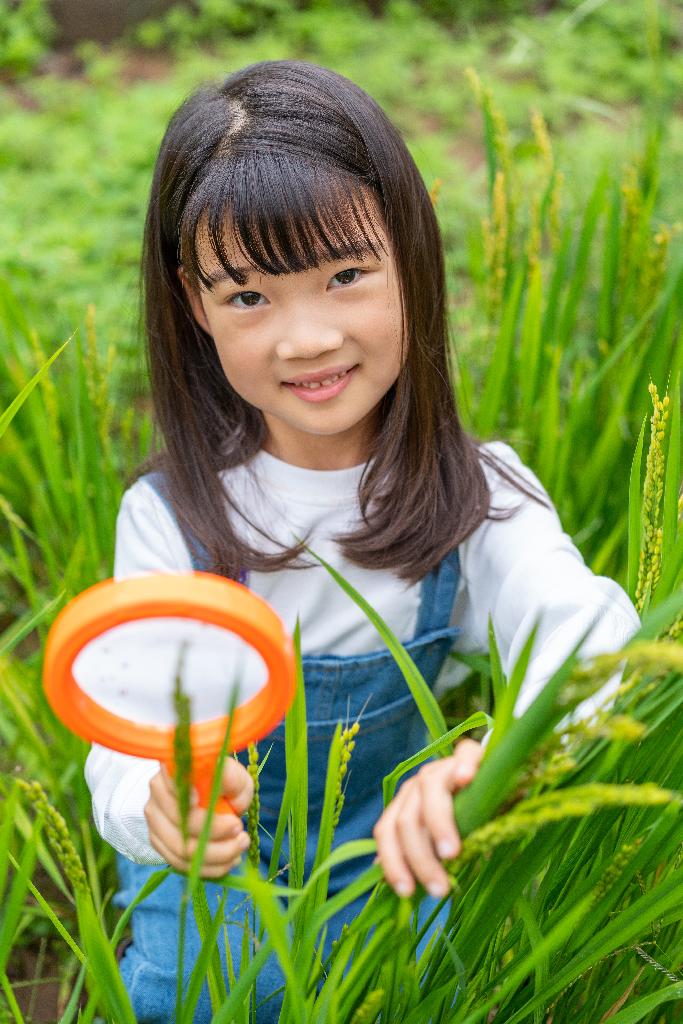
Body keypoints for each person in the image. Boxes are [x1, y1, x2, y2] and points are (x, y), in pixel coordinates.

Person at [84, 59, 639, 1022]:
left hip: (399, 856)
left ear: (410, 255)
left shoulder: (480, 493)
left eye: (345, 275)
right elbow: (121, 715)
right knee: (199, 993)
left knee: (434, 989)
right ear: (192, 301)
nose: (305, 338)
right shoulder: (171, 513)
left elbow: (590, 642)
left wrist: (501, 762)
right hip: (222, 881)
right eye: (249, 296)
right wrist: (154, 803)